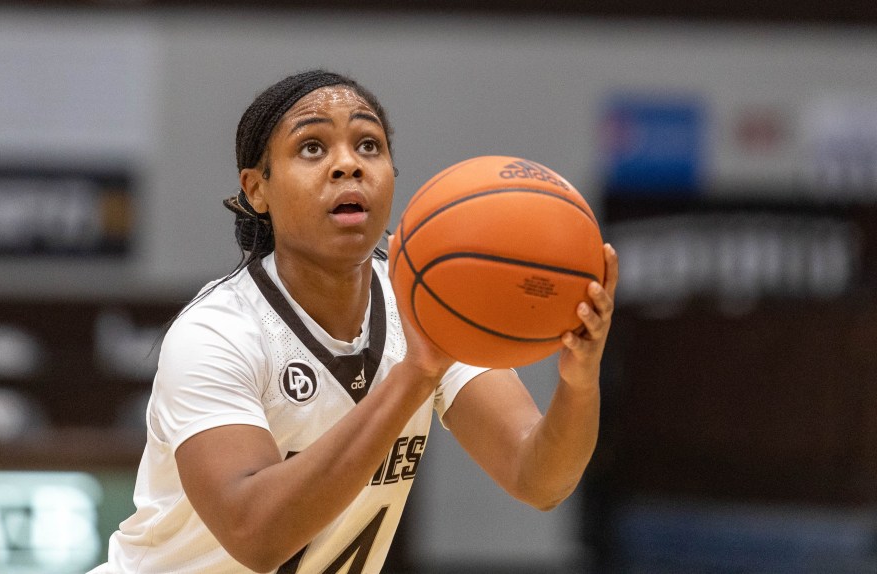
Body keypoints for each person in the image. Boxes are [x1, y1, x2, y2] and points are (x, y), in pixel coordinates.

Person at [90, 69, 618, 574]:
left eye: (369, 145)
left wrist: (578, 382)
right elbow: (256, 535)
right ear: (257, 190)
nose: (349, 165)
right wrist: (415, 375)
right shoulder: (217, 332)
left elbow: (538, 479)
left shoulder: (427, 299)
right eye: (312, 147)